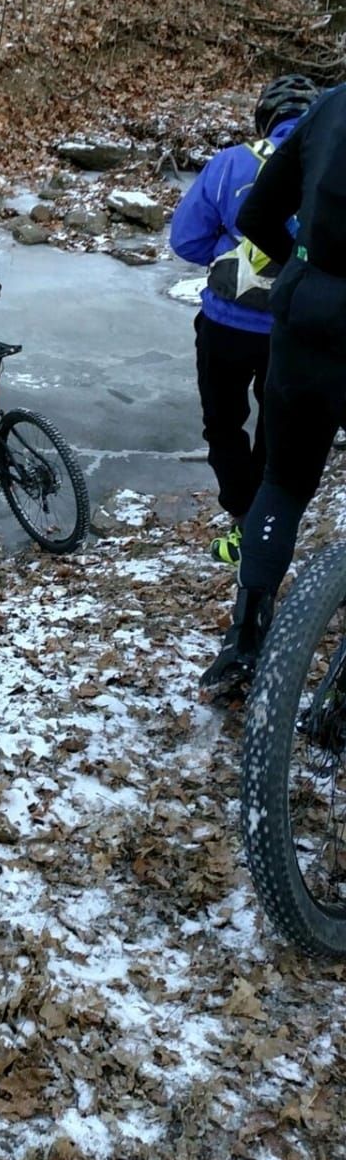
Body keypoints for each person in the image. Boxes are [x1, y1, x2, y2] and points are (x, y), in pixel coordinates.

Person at [200, 79, 345, 695]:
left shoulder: (332, 104)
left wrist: (301, 267)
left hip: (310, 315)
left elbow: (257, 212)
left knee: (283, 483)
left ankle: (246, 639)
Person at [169, 75, 319, 566]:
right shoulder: (333, 164)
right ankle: (267, 522)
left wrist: (236, 252)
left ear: (264, 118)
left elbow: (186, 242)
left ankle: (243, 517)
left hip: (227, 322)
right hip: (299, 325)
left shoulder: (231, 162)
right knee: (277, 425)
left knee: (223, 423)